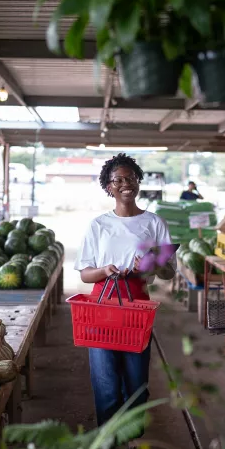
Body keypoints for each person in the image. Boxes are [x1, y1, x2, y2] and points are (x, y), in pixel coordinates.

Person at [75, 153, 175, 427]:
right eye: (117, 179)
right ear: (108, 187)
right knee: (106, 384)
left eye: (130, 177)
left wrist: (151, 264)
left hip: (136, 309)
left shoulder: (154, 223)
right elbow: (85, 273)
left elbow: (169, 272)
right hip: (101, 310)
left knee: (136, 384)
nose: (125, 183)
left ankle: (130, 435)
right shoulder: (99, 225)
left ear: (138, 181)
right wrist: (105, 270)